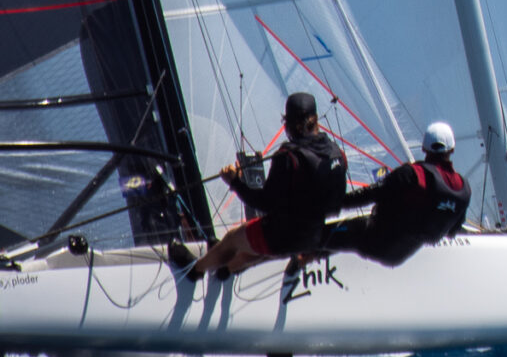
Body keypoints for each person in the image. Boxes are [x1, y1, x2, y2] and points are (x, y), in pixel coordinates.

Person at [186, 91, 348, 281]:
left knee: (232, 239)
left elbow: (263, 203)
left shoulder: (288, 156)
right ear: (316, 120)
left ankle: (195, 271)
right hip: (312, 237)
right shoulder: (337, 153)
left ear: (290, 124)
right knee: (258, 250)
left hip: (281, 238)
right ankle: (226, 270)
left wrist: (235, 182)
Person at [330, 121, 470, 266]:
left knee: (325, 234)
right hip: (410, 251)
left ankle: (310, 256)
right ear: (452, 149)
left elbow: (370, 195)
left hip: (381, 245)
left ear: (423, 148)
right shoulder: (464, 188)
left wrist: (332, 204)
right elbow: (453, 231)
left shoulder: (412, 174)